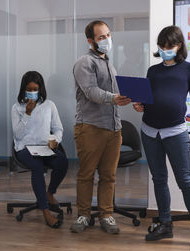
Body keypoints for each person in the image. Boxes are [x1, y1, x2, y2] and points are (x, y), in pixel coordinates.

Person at [133, 25, 190, 251]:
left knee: (185, 180)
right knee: (158, 179)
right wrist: (139, 105)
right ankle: (165, 224)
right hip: (149, 131)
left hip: (176, 132)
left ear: (179, 46)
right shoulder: (152, 72)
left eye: (169, 47)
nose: (165, 50)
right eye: (161, 47)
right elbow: (147, 101)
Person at [70, 20, 131, 234]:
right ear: (91, 41)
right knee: (87, 174)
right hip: (90, 127)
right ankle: (83, 215)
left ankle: (106, 215)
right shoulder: (84, 62)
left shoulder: (110, 64)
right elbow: (91, 92)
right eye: (101, 37)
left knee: (109, 176)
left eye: (108, 35)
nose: (107, 39)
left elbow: (112, 97)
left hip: (113, 128)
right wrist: (115, 98)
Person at [11, 71, 68, 228]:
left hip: (44, 147)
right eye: (29, 89)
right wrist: (27, 113)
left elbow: (58, 128)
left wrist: (55, 140)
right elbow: (17, 134)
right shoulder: (17, 108)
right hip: (24, 148)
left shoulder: (49, 105)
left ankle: (49, 193)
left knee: (62, 161)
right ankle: (45, 211)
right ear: (24, 89)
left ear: (40, 89)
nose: (32, 92)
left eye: (35, 89)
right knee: (36, 166)